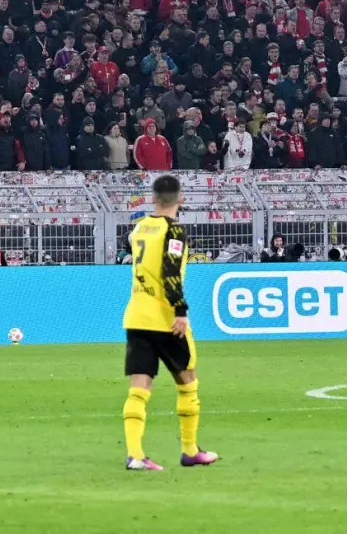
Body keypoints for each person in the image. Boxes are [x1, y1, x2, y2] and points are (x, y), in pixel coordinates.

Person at [121, 175, 218, 470]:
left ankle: (135, 455)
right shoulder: (173, 230)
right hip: (165, 318)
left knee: (139, 387)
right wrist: (180, 310)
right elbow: (171, 271)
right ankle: (189, 450)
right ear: (182, 198)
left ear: (153, 198)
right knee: (188, 382)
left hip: (137, 315)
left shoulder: (138, 228)